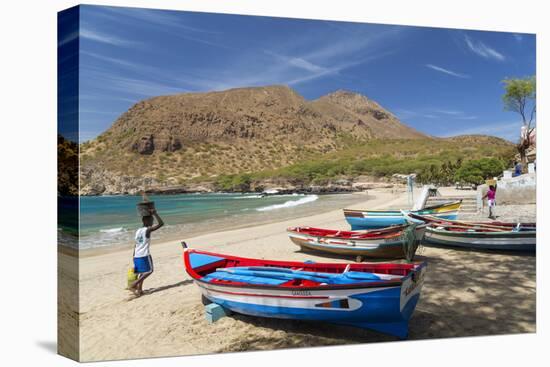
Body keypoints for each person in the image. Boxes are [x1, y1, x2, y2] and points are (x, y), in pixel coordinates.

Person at [129, 209, 164, 297]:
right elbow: (161, 224)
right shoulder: (147, 230)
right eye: (151, 220)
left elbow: (136, 244)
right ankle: (133, 285)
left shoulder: (138, 231)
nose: (152, 222)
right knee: (149, 271)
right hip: (144, 254)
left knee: (142, 272)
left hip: (136, 255)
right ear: (145, 221)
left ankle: (140, 290)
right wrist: (155, 213)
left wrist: (133, 255)